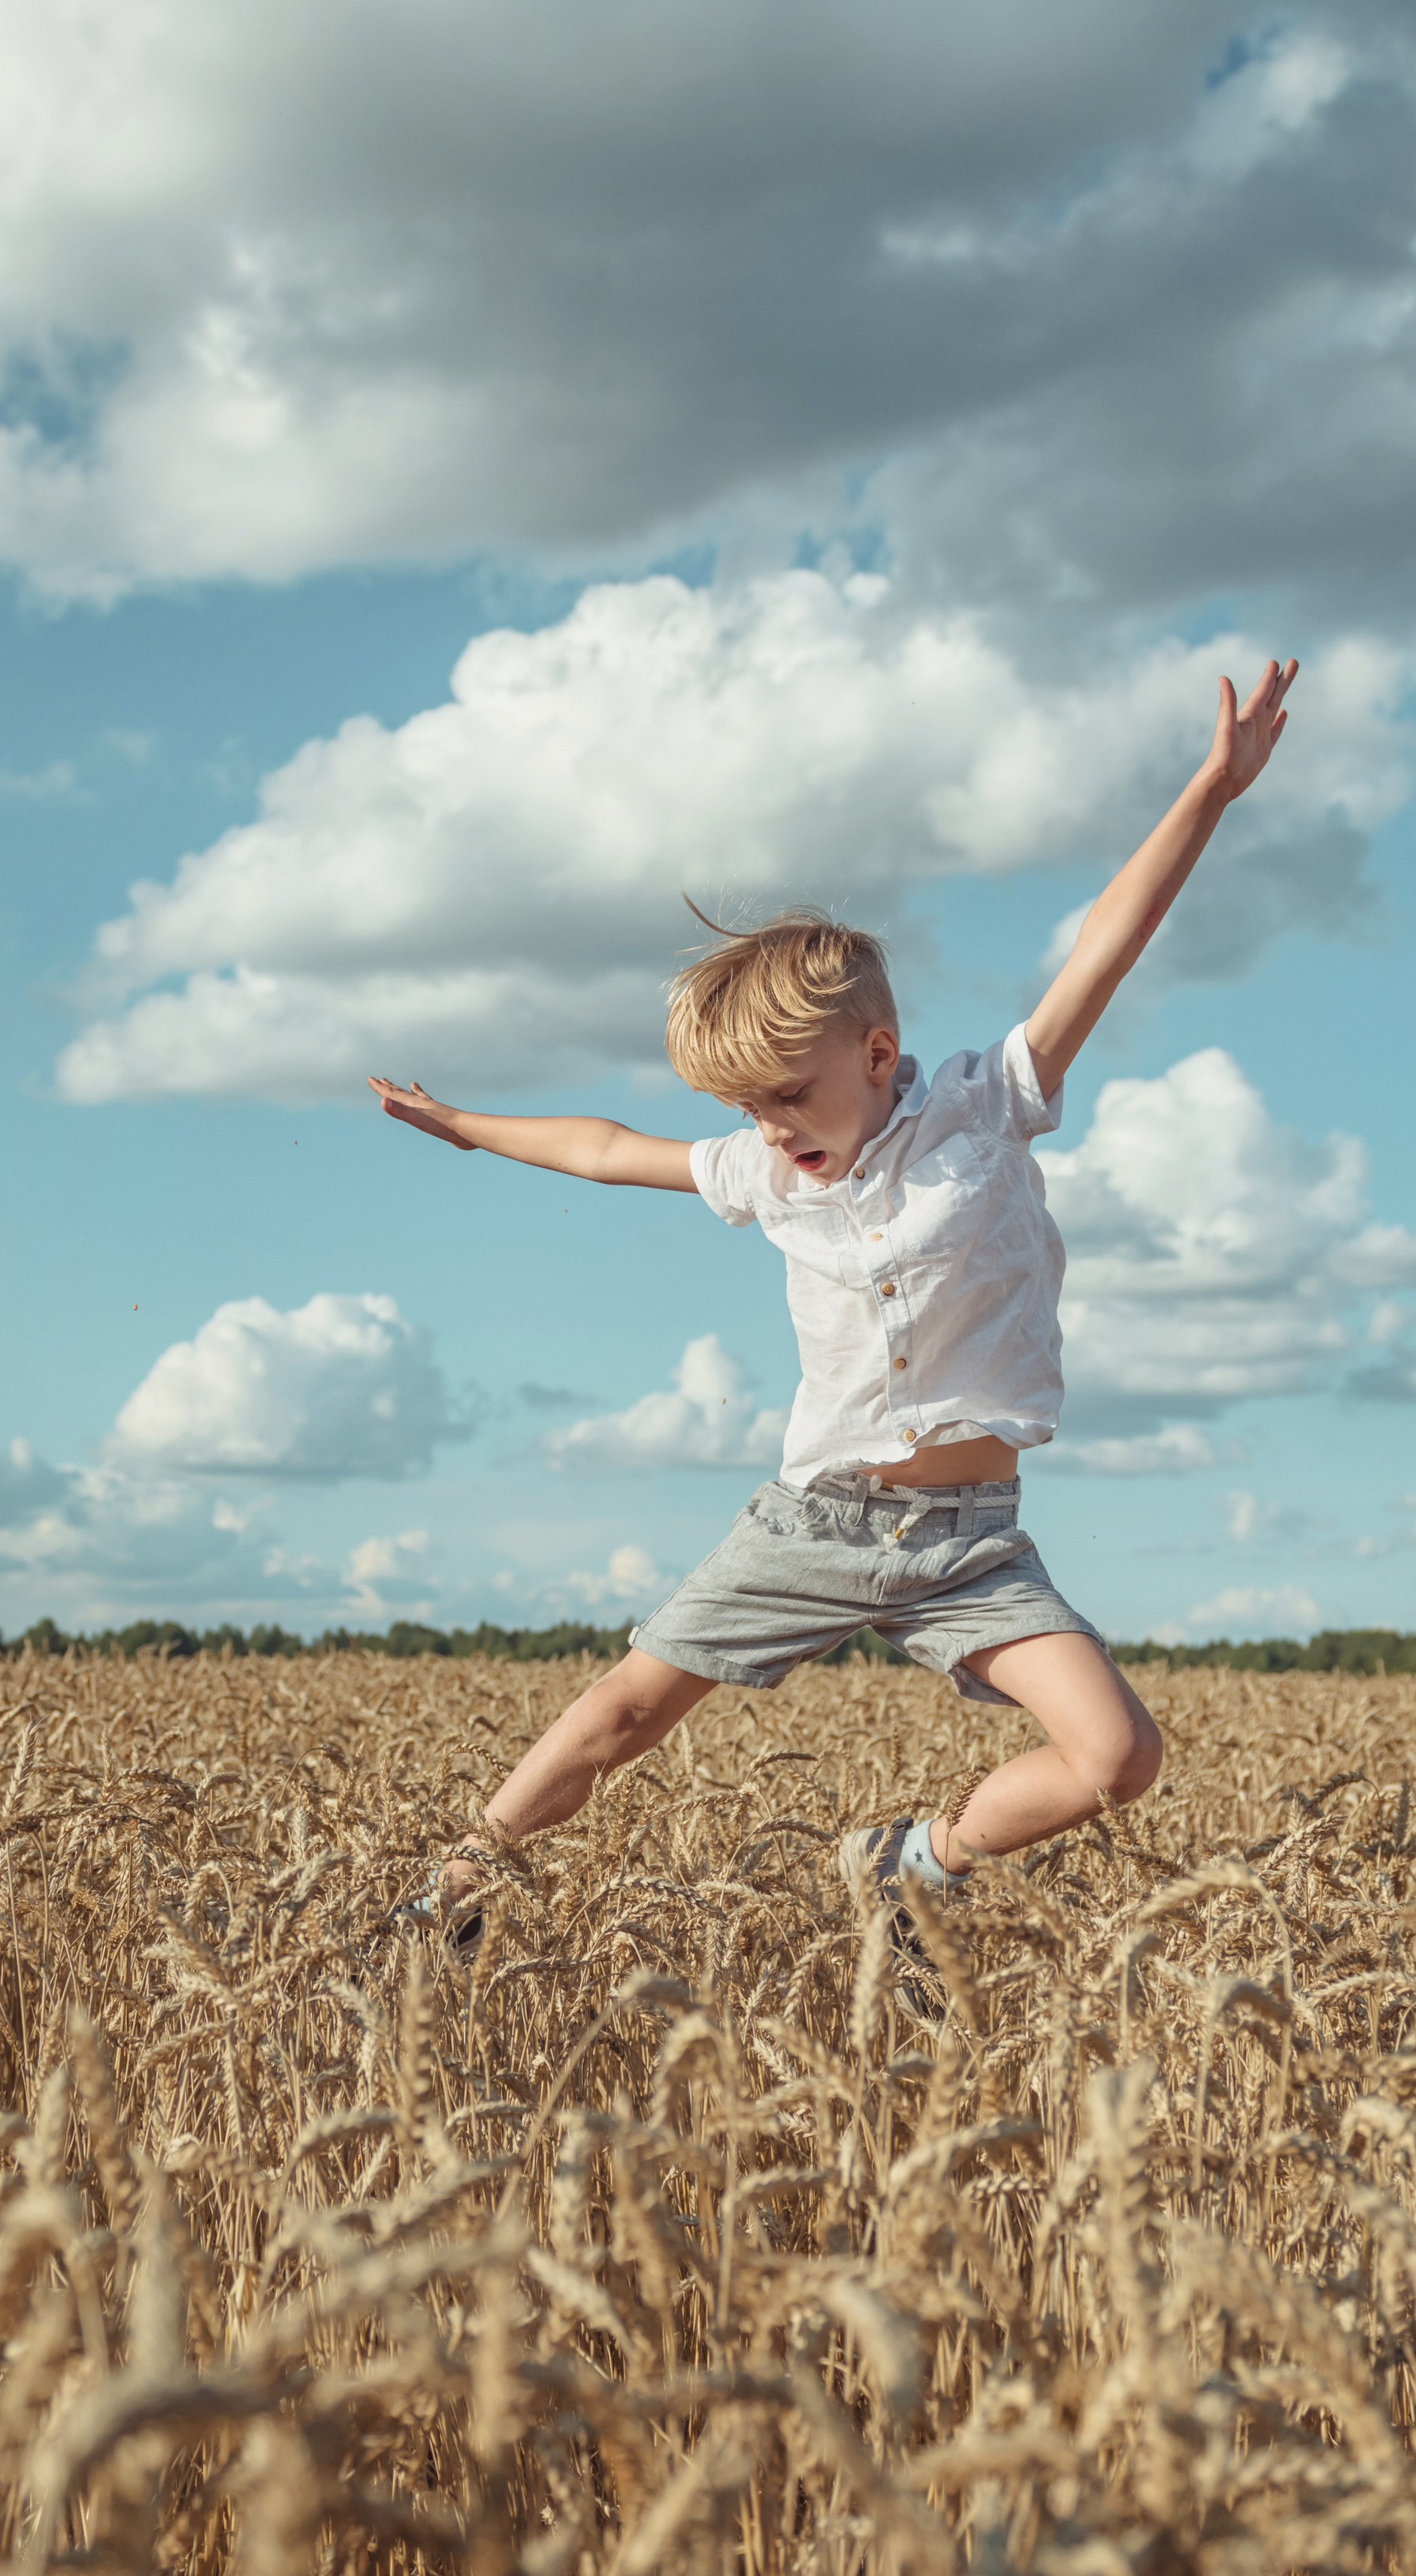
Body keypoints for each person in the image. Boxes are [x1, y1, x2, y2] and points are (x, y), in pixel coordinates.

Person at [368, 659, 1296, 1933]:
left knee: (1117, 1759)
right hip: (818, 1519)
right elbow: (603, 1147)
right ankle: (446, 1899)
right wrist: (466, 1125)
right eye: (746, 1108)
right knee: (621, 1713)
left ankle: (915, 1865)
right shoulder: (763, 1170)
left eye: (790, 1096)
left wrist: (1213, 788)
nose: (769, 1127)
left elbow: (1108, 942)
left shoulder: (989, 1103)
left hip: (967, 1540)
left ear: (875, 1053)